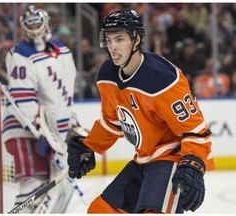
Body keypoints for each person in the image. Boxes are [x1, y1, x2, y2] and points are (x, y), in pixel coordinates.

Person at [67, 9, 215, 214]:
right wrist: (89, 146)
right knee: (100, 210)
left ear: (136, 40)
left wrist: (193, 165)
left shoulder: (163, 79)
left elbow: (195, 131)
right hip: (144, 159)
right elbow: (113, 122)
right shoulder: (107, 75)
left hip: (172, 158)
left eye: (119, 39)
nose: (113, 47)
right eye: (109, 40)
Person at [2, 5, 77, 213]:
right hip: (24, 130)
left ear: (47, 24)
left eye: (38, 24)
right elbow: (23, 98)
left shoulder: (63, 52)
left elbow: (64, 96)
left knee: (61, 187)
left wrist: (71, 123)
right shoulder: (20, 54)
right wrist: (44, 131)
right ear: (23, 28)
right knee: (34, 183)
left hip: (53, 135)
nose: (35, 30)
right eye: (30, 25)